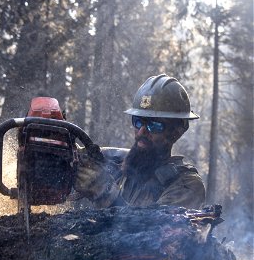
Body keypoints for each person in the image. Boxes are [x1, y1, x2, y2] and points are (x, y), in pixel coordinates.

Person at [74, 74, 206, 209]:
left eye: (154, 125)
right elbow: (76, 155)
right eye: (137, 122)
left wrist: (103, 191)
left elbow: (152, 228)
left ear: (177, 132)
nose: (142, 131)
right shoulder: (121, 162)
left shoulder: (187, 186)